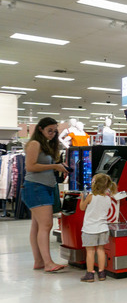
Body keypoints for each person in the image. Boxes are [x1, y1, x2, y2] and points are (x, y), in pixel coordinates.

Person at [21, 117, 69, 273]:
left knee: (37, 226)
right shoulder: (35, 144)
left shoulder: (45, 145)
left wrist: (57, 167)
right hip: (36, 187)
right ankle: (48, 263)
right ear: (40, 129)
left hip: (43, 187)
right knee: (46, 225)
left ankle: (39, 261)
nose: (53, 134)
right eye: (50, 130)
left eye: (55, 131)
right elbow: (30, 166)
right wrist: (54, 165)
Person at [77, 173, 117, 282]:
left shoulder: (90, 196)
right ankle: (101, 273)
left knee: (90, 251)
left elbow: (82, 208)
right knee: (101, 250)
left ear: (94, 184)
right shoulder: (108, 198)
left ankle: (90, 274)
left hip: (90, 229)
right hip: (103, 228)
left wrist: (82, 198)